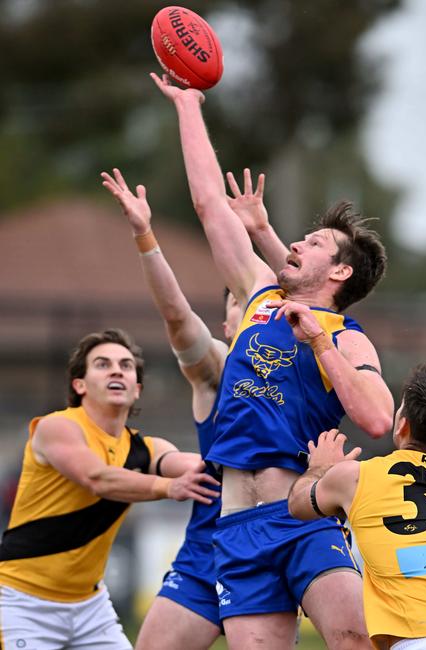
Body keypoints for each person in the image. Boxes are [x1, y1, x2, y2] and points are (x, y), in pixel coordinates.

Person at [151, 71, 394, 649]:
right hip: (235, 528)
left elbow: (379, 419)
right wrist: (189, 105)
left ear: (339, 272)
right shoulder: (260, 294)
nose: (295, 244)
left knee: (355, 640)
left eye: (313, 244)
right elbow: (210, 204)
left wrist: (318, 343)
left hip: (301, 518)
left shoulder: (345, 335)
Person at [0, 329, 220, 650]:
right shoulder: (57, 427)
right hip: (22, 600)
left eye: (126, 366)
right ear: (80, 385)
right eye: (102, 364)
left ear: (137, 389)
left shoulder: (146, 448)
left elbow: (203, 466)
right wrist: (169, 487)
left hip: (90, 607)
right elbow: (97, 478)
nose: (117, 370)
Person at [101, 168, 244, 649]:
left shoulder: (309, 370)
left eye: (260, 301)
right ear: (226, 325)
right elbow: (178, 314)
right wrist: (145, 234)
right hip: (209, 554)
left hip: (277, 550)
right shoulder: (219, 370)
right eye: (239, 302)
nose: (252, 307)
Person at [288, 364, 426, 650]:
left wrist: (320, 468)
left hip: (422, 641)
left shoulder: (357, 477)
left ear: (402, 425)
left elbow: (297, 505)